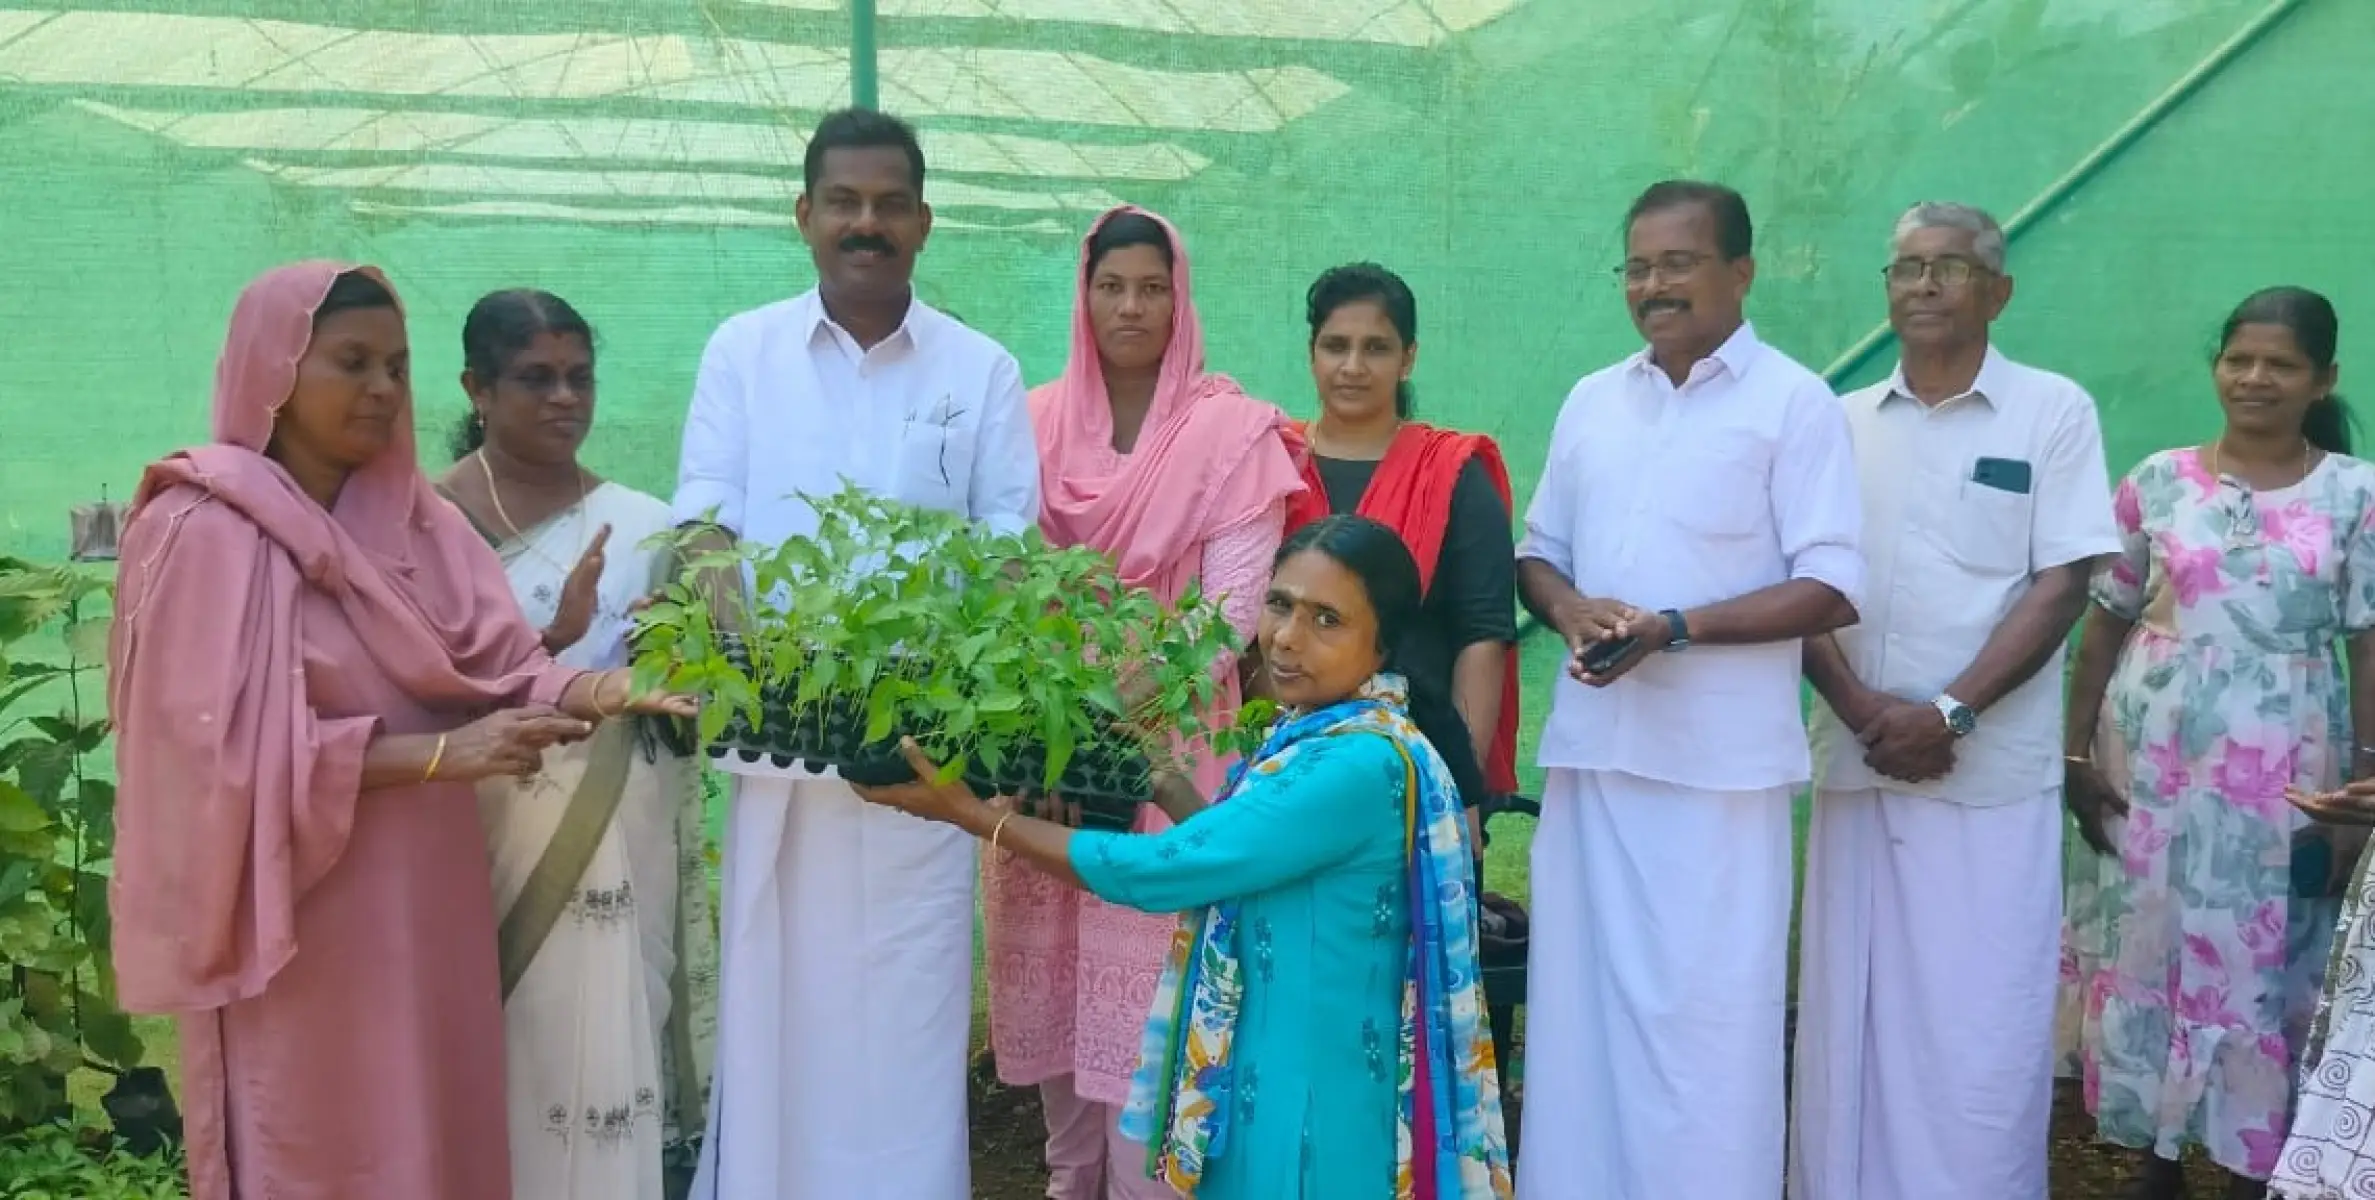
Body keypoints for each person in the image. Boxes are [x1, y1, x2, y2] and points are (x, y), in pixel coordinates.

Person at [105, 262, 696, 1200]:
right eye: (351, 362)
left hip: (430, 902)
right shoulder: (202, 530)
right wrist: (431, 757)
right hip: (300, 907)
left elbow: (498, 665)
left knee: (433, 1134)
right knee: (322, 1137)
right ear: (275, 372)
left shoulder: (417, 522)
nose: (382, 389)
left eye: (394, 364)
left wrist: (607, 688)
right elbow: (199, 764)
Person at [852, 515, 1512, 1199]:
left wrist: (971, 816)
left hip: (1311, 1098)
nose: (1286, 637)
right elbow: (1247, 858)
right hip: (1293, 1069)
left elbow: (1166, 869)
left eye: (1327, 620)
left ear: (1383, 645)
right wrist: (1162, 776)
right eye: (1279, 604)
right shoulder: (1330, 734)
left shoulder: (1352, 763)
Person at [668, 107, 1040, 1200]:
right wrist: (748, 640)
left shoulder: (979, 369)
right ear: (805, 216)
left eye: (888, 205)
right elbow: (702, 526)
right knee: (778, 1013)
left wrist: (982, 702)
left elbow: (1010, 555)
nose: (864, 224)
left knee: (907, 1017)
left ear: (923, 222)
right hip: (781, 747)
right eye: (843, 202)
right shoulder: (744, 349)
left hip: (920, 766)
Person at [1513, 180, 1864, 1200]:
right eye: (1636, 266)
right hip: (1592, 758)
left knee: (1708, 1030)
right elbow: (1538, 556)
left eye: (1676, 263)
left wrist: (1675, 629)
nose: (1652, 285)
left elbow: (1833, 585)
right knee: (1579, 1022)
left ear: (1739, 272)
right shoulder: (1591, 397)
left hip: (1719, 776)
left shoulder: (1792, 402)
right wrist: (1575, 613)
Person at [1788, 203, 2120, 1200]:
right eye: (1905, 268)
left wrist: (1947, 714)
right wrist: (1855, 706)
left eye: (1949, 268)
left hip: (1986, 778)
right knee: (1846, 1020)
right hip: (1855, 765)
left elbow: (2061, 581)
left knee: (1974, 1028)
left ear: (1997, 291)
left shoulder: (2050, 411)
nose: (1923, 285)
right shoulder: (1832, 420)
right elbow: (1790, 579)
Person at [985, 205, 1303, 1198]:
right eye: (1110, 284)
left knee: (1145, 1033)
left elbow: (1232, 608)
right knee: (1057, 1006)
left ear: (1180, 297)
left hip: (1169, 753)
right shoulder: (1026, 425)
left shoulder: (1230, 432)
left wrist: (1139, 680)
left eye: (1151, 286)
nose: (1130, 306)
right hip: (1048, 756)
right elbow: (996, 586)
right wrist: (1060, 694)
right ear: (1081, 295)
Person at [2062, 286, 2373, 1200]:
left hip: (2289, 773)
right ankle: (2154, 1160)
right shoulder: (2155, 480)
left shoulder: (2357, 494)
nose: (2254, 377)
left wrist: (2363, 788)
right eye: (2238, 358)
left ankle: (2252, 1169)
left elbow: (2368, 642)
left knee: (2269, 960)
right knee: (2148, 947)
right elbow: (2105, 621)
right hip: (2149, 766)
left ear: (2323, 379)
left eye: (2280, 363)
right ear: (2215, 366)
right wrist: (2077, 759)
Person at [435, 289, 719, 1200]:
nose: (565, 398)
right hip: (473, 827)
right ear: (477, 387)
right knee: (497, 1044)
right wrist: (550, 644)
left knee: (604, 1037)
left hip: (620, 827)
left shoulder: (646, 524)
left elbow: (697, 702)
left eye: (579, 378)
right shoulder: (419, 526)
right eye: (535, 379)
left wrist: (679, 648)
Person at [1280, 262, 1518, 847]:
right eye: (1336, 345)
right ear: (1312, 353)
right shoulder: (1271, 465)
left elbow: (1482, 634)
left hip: (1414, 771)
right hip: (1279, 767)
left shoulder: (1452, 473)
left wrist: (1456, 792)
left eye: (1376, 348)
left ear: (1407, 358)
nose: (1353, 367)